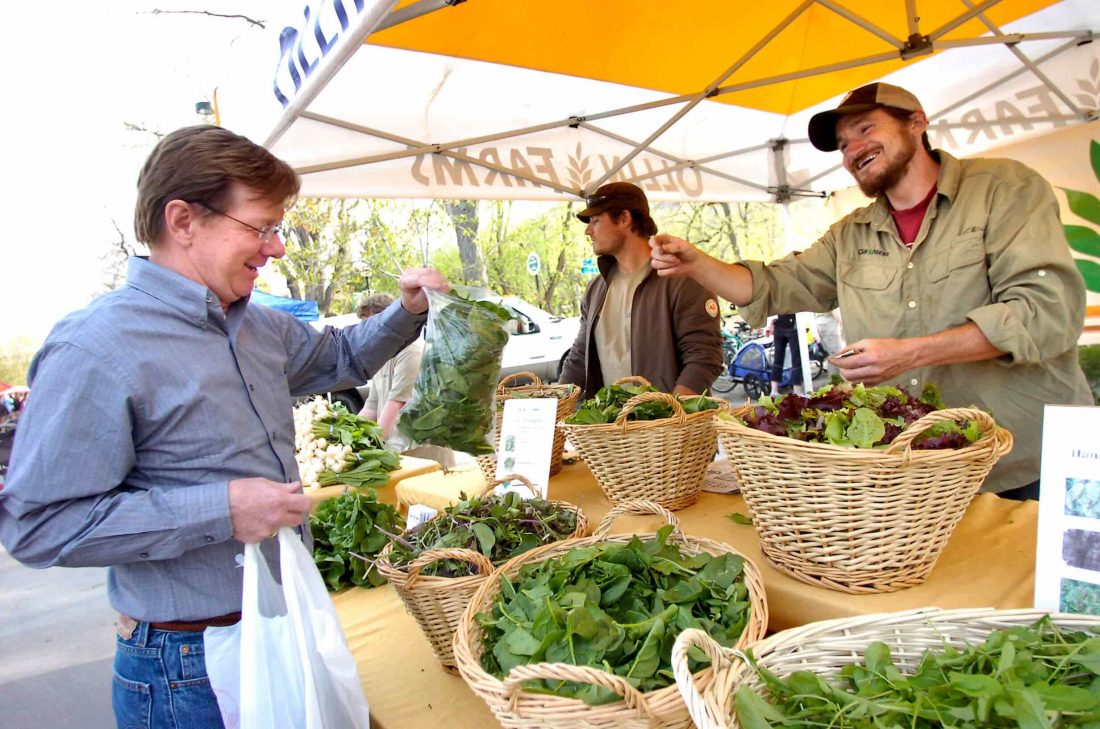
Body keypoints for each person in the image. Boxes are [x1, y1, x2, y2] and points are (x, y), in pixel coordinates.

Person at [0, 125, 448, 727]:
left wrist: (409, 311)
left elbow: (341, 358)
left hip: (281, 625)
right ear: (183, 219)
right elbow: (39, 526)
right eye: (260, 227)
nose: (278, 248)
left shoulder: (258, 325)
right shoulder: (95, 348)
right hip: (187, 666)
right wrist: (220, 511)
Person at [650, 82, 1092, 499]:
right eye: (843, 145)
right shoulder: (850, 234)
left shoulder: (1003, 189)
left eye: (865, 130)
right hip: (917, 476)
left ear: (916, 123)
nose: (853, 150)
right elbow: (775, 285)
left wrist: (912, 353)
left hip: (1024, 467)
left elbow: (1045, 312)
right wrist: (697, 263)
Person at [558, 181, 723, 397]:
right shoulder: (595, 290)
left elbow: (704, 357)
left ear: (624, 219)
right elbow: (579, 357)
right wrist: (552, 407)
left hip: (670, 427)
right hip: (608, 427)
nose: (589, 231)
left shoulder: (682, 278)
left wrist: (674, 414)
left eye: (596, 220)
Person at [356, 292, 423, 445]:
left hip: (416, 452)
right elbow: (372, 406)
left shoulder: (410, 353)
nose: (363, 331)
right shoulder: (381, 357)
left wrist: (368, 444)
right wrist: (350, 433)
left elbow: (396, 405)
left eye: (367, 324)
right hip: (396, 448)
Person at [768, 314, 804, 396]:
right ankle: (797, 390)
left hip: (778, 324)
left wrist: (770, 324)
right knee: (796, 358)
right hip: (792, 323)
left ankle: (774, 390)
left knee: (778, 357)